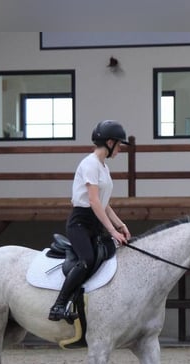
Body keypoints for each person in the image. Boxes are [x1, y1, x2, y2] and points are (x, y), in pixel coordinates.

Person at [48, 120, 132, 322]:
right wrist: (112, 231)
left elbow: (104, 203)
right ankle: (58, 305)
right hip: (80, 223)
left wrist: (121, 224)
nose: (120, 149)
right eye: (119, 145)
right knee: (86, 260)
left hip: (95, 223)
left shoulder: (104, 167)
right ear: (110, 142)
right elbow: (94, 201)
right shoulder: (90, 164)